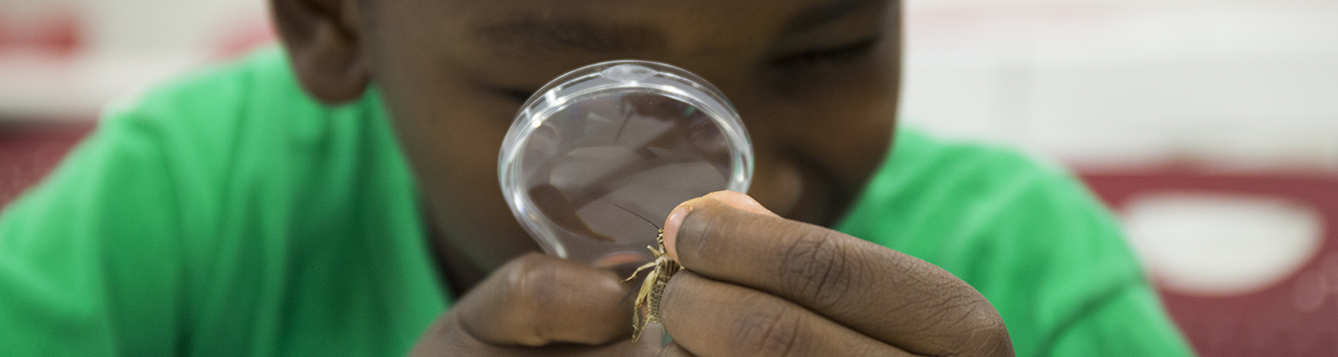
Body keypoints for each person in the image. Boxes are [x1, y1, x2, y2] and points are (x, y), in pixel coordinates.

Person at [0, 0, 1195, 356]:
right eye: (575, 99)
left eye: (826, 51)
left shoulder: (1031, 273)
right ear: (333, 19)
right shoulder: (188, 197)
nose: (729, 195)